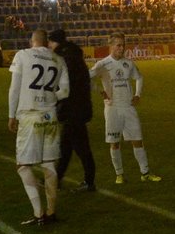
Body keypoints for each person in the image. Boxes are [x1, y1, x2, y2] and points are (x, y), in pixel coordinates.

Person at [8, 29, 70, 225]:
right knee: (49, 164)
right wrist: (52, 96)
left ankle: (38, 213)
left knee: (23, 165)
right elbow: (66, 91)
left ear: (32, 41)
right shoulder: (58, 60)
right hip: (50, 116)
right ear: (47, 43)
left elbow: (14, 88)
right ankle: (51, 212)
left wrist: (11, 115)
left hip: (30, 115)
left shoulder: (23, 55)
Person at [90, 33, 161, 184]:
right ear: (111, 46)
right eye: (118, 45)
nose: (121, 48)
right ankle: (119, 174)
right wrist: (99, 90)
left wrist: (137, 94)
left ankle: (145, 172)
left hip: (129, 107)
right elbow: (86, 77)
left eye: (123, 45)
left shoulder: (128, 63)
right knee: (114, 142)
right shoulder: (103, 64)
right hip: (112, 108)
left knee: (137, 140)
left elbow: (139, 77)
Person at [48, 29, 96, 191]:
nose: (49, 46)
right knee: (66, 146)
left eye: (50, 42)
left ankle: (89, 182)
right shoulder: (73, 56)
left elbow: (66, 87)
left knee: (81, 148)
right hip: (78, 108)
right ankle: (57, 178)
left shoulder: (65, 59)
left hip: (74, 109)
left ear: (56, 42)